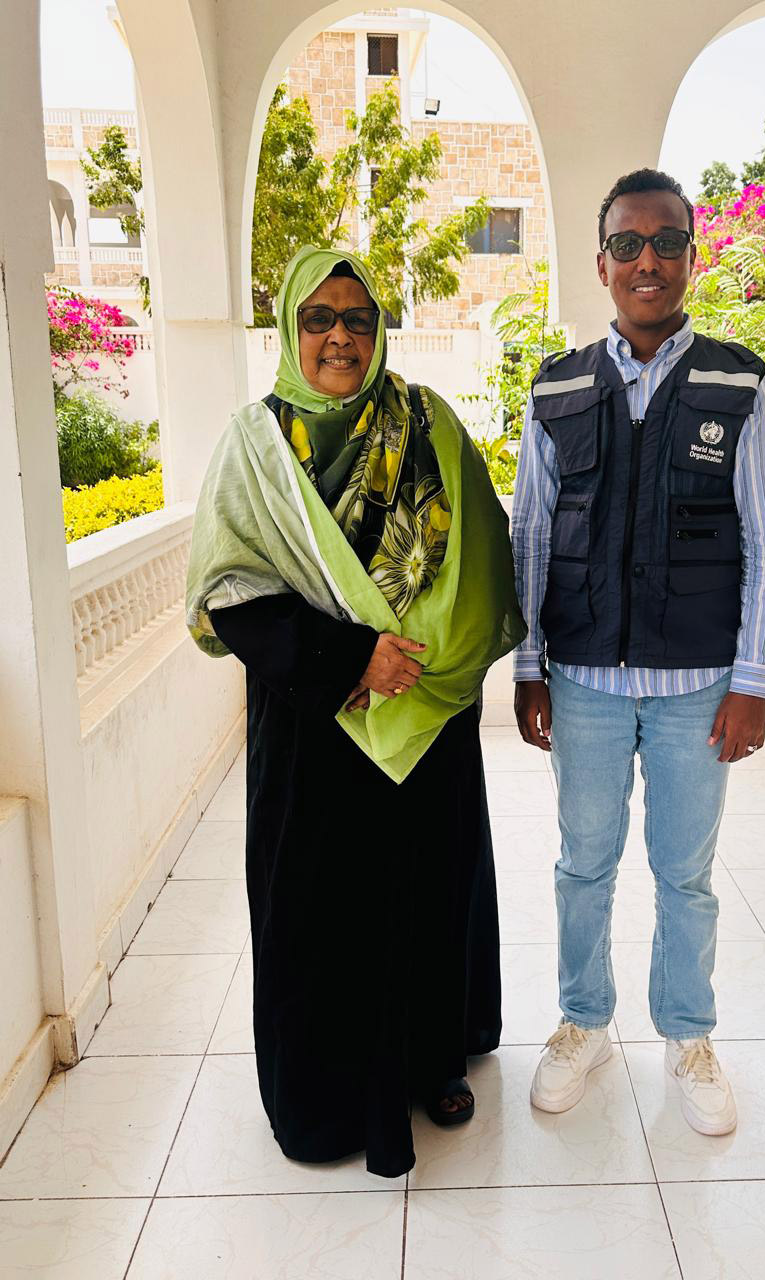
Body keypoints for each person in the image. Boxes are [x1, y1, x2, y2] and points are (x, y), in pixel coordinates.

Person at [185, 246, 525, 1178]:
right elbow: (231, 591)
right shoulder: (255, 446)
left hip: (421, 717)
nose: (341, 336)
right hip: (313, 724)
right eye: (321, 318)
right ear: (293, 330)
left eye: (360, 318)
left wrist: (421, 664)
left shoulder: (429, 424)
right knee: (317, 905)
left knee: (428, 887)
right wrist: (350, 658)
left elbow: (483, 557)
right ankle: (327, 1096)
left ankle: (430, 1062)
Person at [512, 169, 765, 1136]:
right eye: (628, 245)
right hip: (585, 684)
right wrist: (527, 665)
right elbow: (530, 540)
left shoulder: (741, 384)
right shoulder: (556, 390)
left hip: (698, 689)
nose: (648, 261)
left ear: (690, 255)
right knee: (582, 865)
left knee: (685, 872)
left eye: (666, 242)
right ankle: (584, 1023)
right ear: (600, 264)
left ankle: (687, 1034)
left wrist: (752, 682)